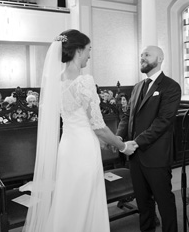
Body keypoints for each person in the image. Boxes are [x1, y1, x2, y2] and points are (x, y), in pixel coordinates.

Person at [23, 29, 138, 232]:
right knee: (85, 200)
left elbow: (78, 119)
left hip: (67, 147)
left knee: (69, 200)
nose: (89, 55)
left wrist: (103, 139)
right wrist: (122, 146)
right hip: (84, 149)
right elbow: (99, 127)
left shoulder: (55, 81)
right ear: (78, 50)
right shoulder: (83, 81)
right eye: (88, 50)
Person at [116, 45, 182, 232]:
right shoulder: (138, 87)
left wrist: (136, 142)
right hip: (135, 157)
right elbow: (127, 116)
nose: (142, 57)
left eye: (147, 54)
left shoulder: (170, 86)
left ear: (160, 59)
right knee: (143, 204)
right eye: (141, 55)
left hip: (156, 156)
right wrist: (119, 137)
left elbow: (163, 122)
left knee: (164, 202)